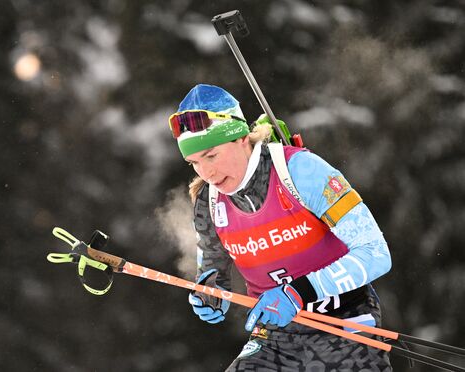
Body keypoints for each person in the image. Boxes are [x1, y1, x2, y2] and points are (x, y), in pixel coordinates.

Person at [168, 84, 393, 371]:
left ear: (240, 139)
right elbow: (212, 271)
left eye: (211, 155)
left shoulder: (300, 170)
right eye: (194, 163)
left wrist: (298, 292)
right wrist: (209, 293)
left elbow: (376, 253)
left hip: (344, 319)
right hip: (276, 335)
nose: (207, 173)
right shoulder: (208, 201)